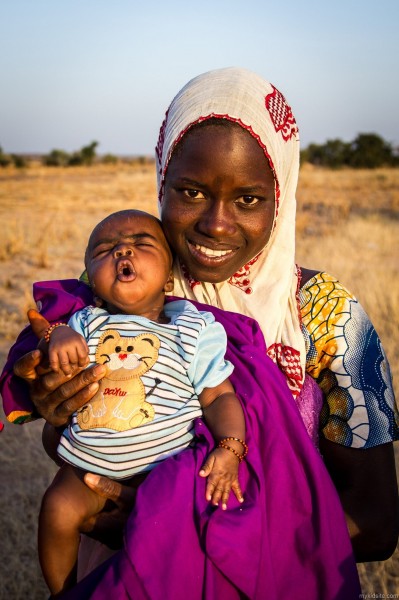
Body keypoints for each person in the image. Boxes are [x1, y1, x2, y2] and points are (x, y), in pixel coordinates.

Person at [1, 66, 397, 597]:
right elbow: (74, 439)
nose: (215, 222)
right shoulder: (119, 296)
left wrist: (177, 527)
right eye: (190, 191)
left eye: (249, 199)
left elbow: (375, 525)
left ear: (282, 195)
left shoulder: (330, 319)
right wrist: (57, 410)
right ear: (162, 180)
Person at [35, 209, 247, 596]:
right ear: (93, 285)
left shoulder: (191, 329)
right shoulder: (86, 322)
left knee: (160, 549)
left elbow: (218, 394)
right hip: (88, 468)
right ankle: (63, 593)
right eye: (105, 249)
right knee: (57, 508)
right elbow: (54, 351)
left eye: (141, 244)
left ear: (168, 278)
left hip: (162, 473)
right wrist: (57, 334)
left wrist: (231, 445)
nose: (122, 251)